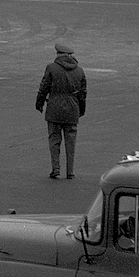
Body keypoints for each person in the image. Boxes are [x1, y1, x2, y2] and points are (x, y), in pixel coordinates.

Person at [35, 42, 87, 179]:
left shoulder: (51, 68)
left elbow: (44, 87)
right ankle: (70, 172)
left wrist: (39, 103)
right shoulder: (79, 71)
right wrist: (81, 110)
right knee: (71, 142)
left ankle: (56, 169)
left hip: (54, 108)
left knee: (54, 140)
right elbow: (83, 93)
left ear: (59, 55)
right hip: (72, 109)